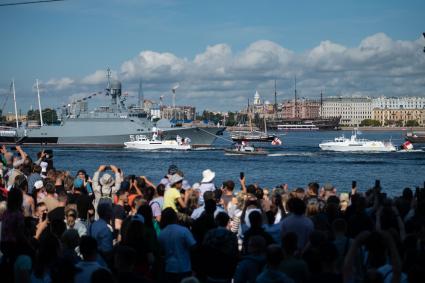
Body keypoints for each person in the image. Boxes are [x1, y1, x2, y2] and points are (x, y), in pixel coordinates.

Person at [158, 208, 196, 283]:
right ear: (175, 217)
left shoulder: (161, 233)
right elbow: (193, 247)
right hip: (184, 267)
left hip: (169, 268)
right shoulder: (184, 230)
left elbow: (161, 252)